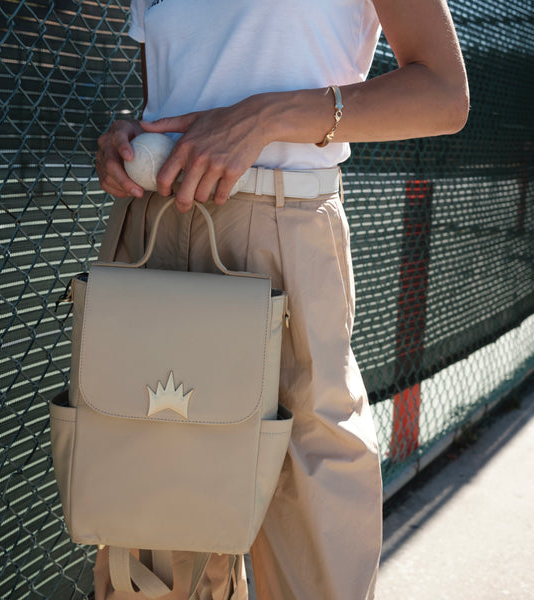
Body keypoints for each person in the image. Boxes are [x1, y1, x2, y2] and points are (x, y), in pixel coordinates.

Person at [93, 1, 469, 599]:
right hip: (156, 233)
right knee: (153, 561)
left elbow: (445, 93)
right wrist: (131, 136)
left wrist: (264, 118)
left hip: (285, 231)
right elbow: (173, 98)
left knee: (311, 547)